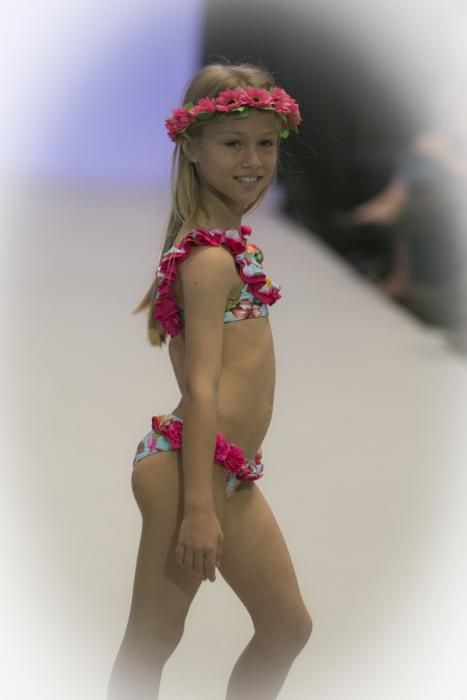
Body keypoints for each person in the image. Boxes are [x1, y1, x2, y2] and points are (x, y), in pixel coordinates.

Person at [106, 62, 313, 700]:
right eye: (233, 144)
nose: (253, 161)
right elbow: (201, 388)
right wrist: (199, 507)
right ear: (192, 149)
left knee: (286, 626)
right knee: (151, 638)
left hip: (222, 466)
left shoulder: (227, 247)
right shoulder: (208, 259)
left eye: (266, 144)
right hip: (190, 475)